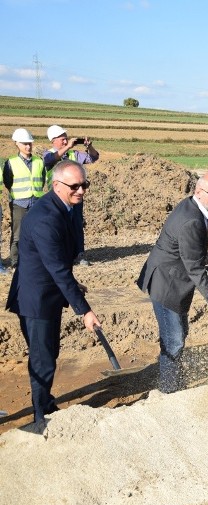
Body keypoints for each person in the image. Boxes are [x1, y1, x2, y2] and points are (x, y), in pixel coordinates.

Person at [5, 160, 101, 433]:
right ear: (57, 185)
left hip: (49, 292)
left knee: (49, 353)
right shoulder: (46, 218)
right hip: (36, 299)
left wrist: (73, 285)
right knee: (42, 359)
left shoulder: (63, 207)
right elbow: (57, 269)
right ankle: (40, 418)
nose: (81, 190)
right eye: (75, 186)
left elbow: (58, 263)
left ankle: (45, 403)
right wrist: (85, 311)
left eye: (85, 184)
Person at [137, 174, 208, 393]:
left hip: (172, 277)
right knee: (174, 340)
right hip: (167, 284)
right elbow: (194, 268)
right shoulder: (192, 220)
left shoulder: (194, 207)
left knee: (177, 333)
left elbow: (188, 250)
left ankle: (173, 375)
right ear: (198, 192)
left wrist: (201, 254)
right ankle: (169, 391)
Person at [43, 125, 99, 266]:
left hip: (75, 197)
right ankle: (61, 255)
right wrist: (67, 147)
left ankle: (79, 254)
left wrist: (89, 147)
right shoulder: (48, 154)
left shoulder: (73, 154)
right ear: (53, 140)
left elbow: (93, 157)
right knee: (58, 225)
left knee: (76, 225)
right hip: (58, 198)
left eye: (66, 139)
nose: (65, 141)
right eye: (62, 139)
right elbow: (50, 161)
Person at [3, 129, 46, 270]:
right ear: (17, 144)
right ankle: (15, 261)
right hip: (19, 203)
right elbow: (7, 182)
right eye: (25, 144)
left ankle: (34, 260)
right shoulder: (11, 162)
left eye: (30, 144)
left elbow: (42, 180)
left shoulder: (39, 161)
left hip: (36, 202)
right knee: (18, 235)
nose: (28, 146)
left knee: (36, 233)